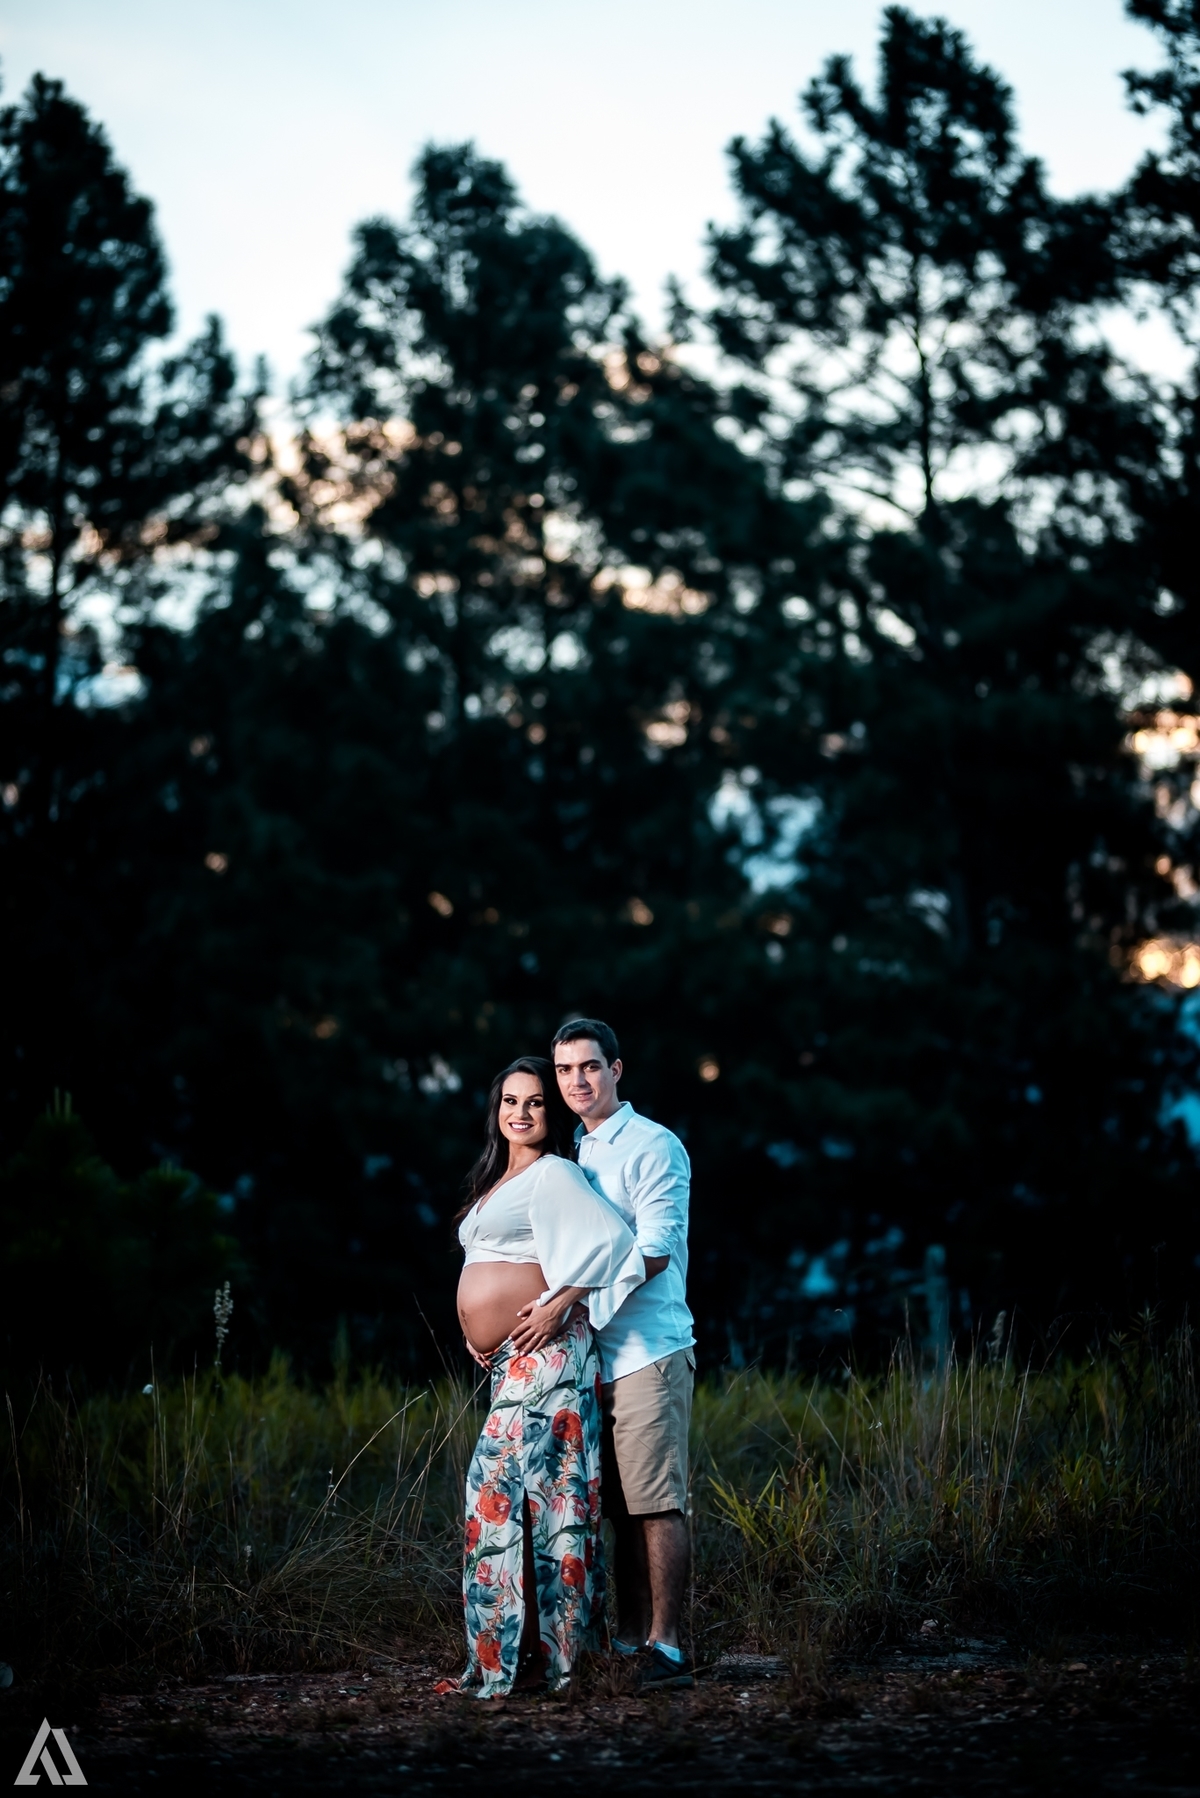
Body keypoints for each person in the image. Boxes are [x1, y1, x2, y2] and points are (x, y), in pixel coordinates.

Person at [450, 1055, 646, 1698]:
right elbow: (490, 1262)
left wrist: (559, 1303)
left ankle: (552, 1661)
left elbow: (615, 1243)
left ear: (549, 1113)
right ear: (496, 1110)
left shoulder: (556, 1172)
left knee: (541, 1502)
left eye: (535, 1102)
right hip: (514, 1361)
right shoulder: (495, 1182)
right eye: (510, 1101)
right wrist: (475, 1328)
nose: (521, 1113)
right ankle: (511, 1655)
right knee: (504, 1498)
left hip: (553, 1357)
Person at [546, 1019, 697, 1691]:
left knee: (656, 1502)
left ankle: (668, 1650)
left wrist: (575, 1301)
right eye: (565, 1070)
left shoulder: (652, 1146)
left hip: (647, 1352)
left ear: (616, 1069)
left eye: (589, 1067)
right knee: (612, 1507)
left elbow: (656, 1249)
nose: (578, 1080)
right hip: (588, 1362)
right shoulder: (573, 1152)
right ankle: (632, 1640)